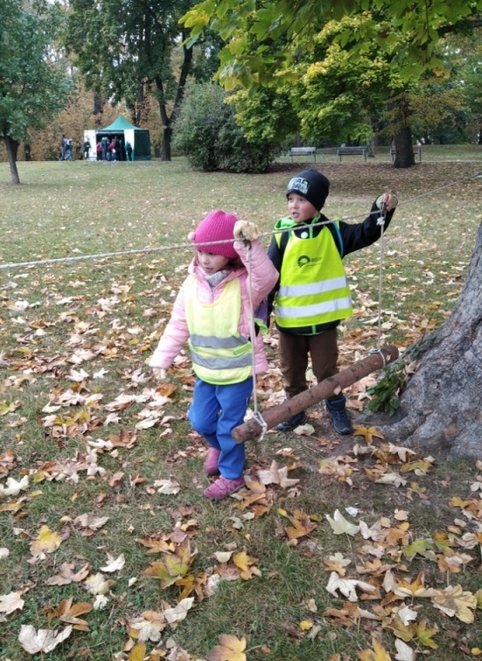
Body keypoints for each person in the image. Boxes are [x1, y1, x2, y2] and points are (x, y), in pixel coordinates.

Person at [149, 210, 279, 500]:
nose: (204, 259)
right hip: (206, 371)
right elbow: (178, 323)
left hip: (237, 372)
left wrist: (247, 244)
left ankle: (231, 475)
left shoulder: (246, 286)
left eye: (212, 253)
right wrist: (163, 357)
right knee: (201, 421)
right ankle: (219, 447)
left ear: (229, 254)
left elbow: (268, 276)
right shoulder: (191, 284)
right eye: (200, 251)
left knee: (229, 425)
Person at [267, 169, 398, 435]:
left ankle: (336, 407)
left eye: (302, 199)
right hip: (290, 325)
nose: (294, 205)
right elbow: (269, 279)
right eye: (290, 199)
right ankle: (295, 410)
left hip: (324, 324)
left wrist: (381, 209)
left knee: (327, 372)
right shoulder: (282, 236)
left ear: (317, 204)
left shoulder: (334, 232)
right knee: (291, 372)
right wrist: (259, 317)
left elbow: (366, 232)